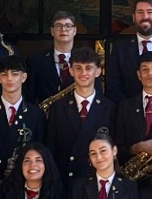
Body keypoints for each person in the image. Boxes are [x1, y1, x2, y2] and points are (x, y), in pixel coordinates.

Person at [44, 48, 113, 181]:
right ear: (71, 71)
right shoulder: (57, 108)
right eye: (78, 68)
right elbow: (50, 148)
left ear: (98, 71)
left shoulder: (110, 108)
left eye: (89, 68)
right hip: (65, 181)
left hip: (96, 181)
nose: (83, 73)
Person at [0, 55, 43, 169]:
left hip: (23, 178)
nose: (9, 78)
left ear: (24, 77)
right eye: (4, 74)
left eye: (15, 74)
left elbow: (40, 150)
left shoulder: (36, 114)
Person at [31, 10, 89, 103]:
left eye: (68, 26)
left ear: (75, 31)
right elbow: (30, 95)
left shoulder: (87, 60)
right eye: (58, 26)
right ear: (52, 31)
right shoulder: (36, 60)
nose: (63, 29)